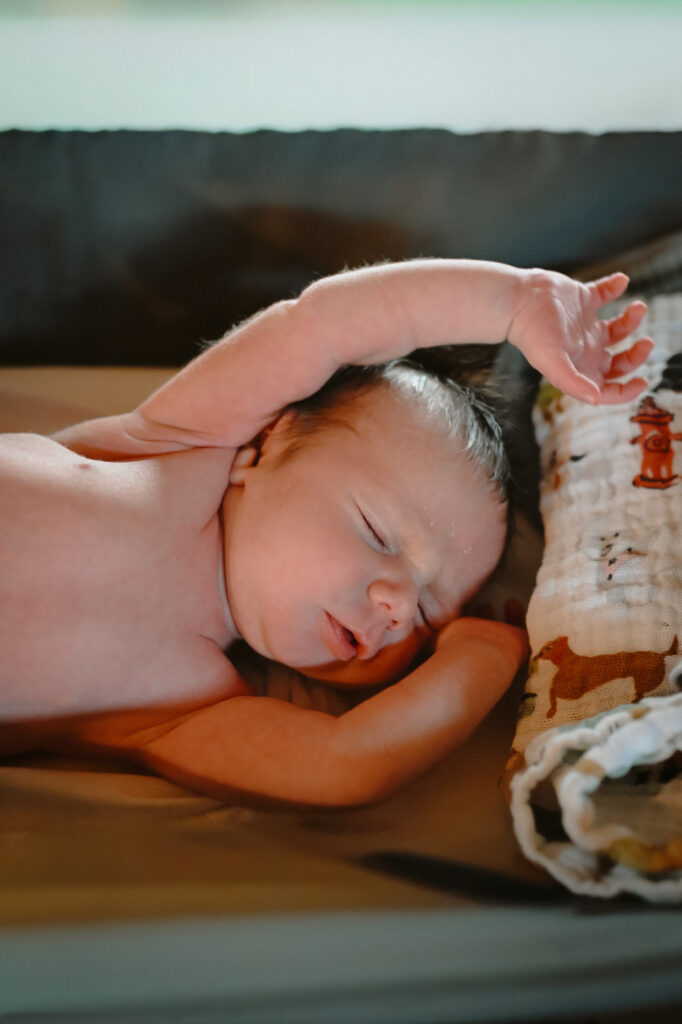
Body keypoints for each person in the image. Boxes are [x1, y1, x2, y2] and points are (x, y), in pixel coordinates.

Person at [0, 260, 652, 809]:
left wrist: (482, 654)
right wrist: (515, 302)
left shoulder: (181, 708)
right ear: (264, 443)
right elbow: (322, 326)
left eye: (428, 613)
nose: (399, 607)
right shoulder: (177, 450)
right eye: (377, 533)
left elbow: (345, 764)